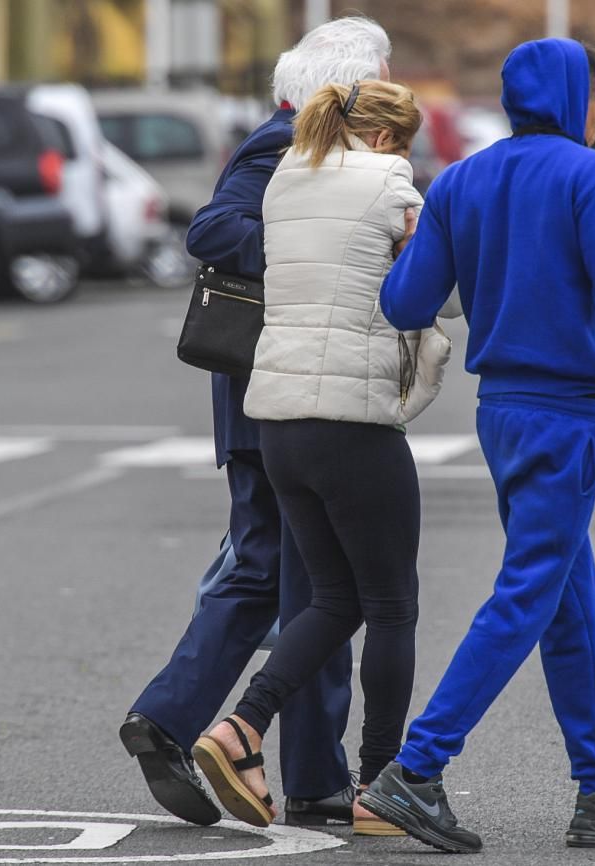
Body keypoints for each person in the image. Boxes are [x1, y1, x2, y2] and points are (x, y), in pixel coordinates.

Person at [360, 39, 595, 853]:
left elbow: (408, 302)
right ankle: (414, 771)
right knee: (530, 590)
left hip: (502, 414)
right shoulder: (592, 177)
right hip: (565, 415)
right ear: (571, 98)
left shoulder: (460, 181)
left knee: (568, 594)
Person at [119, 16, 393, 830]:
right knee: (311, 580)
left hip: (271, 394)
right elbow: (212, 230)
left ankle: (214, 738)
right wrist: (313, 242)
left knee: (283, 574)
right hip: (272, 393)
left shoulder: (299, 141)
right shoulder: (283, 146)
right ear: (345, 88)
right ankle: (292, 769)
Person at [192, 78, 451, 837]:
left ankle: (239, 727)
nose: (403, 156)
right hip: (355, 423)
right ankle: (380, 786)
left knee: (330, 601)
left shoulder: (285, 180)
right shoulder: (389, 184)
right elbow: (441, 295)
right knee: (392, 606)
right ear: (381, 140)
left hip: (280, 425)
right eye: (401, 143)